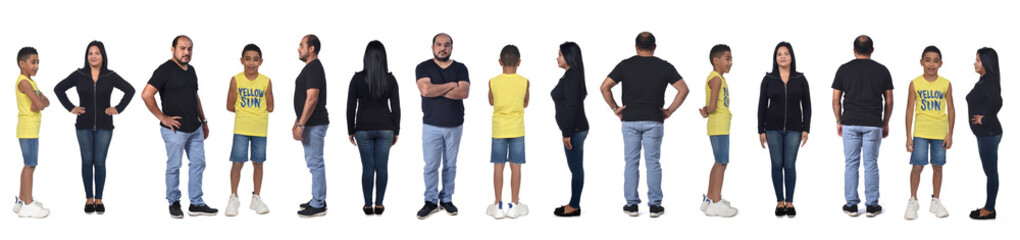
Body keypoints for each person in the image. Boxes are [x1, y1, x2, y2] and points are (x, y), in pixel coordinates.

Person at [600, 32, 689, 218]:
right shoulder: (664, 66)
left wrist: (615, 108)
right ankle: (655, 206)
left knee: (631, 163)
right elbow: (683, 89)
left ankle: (631, 205)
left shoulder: (625, 64)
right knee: (653, 162)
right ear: (655, 47)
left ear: (635, 46)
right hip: (654, 120)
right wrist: (669, 111)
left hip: (630, 120)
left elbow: (604, 87)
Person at [53, 41, 136, 214]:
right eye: (90, 53)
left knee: (99, 163)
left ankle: (99, 199)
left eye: (97, 53)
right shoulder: (79, 74)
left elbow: (130, 90)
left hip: (105, 127)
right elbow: (59, 88)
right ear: (86, 56)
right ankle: (88, 199)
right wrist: (71, 107)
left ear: (103, 55)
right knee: (86, 162)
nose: (93, 56)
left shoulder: (110, 75)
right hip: (83, 126)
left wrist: (118, 109)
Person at [141, 35, 218, 218]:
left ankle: (196, 203)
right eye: (182, 48)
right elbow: (146, 95)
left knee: (198, 164)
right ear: (173, 49)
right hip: (174, 130)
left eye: (189, 48)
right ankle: (174, 202)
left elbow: (195, 96)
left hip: (195, 128)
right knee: (174, 166)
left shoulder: (191, 70)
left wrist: (204, 121)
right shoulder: (164, 70)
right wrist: (163, 118)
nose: (186, 52)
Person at [831, 35, 893, 218]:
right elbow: (889, 100)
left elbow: (836, 100)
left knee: (851, 164)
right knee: (871, 164)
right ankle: (872, 206)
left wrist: (839, 121)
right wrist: (885, 122)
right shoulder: (882, 70)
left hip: (850, 122)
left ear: (854, 49)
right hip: (873, 123)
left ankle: (851, 206)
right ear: (872, 50)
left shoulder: (844, 69)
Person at [414, 33, 470, 220]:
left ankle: (446, 198)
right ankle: (430, 201)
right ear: (432, 47)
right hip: (431, 125)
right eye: (439, 44)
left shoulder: (461, 68)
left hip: (455, 125)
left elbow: (463, 92)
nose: (442, 48)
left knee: (450, 165)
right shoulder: (423, 67)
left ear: (451, 47)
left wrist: (437, 89)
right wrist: (450, 85)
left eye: (446, 45)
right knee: (430, 166)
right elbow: (425, 90)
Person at [757, 42, 811, 217]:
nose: (782, 56)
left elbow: (807, 106)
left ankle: (790, 202)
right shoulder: (768, 79)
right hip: (772, 129)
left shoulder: (800, 79)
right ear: (775, 58)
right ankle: (779, 202)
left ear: (791, 56)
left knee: (789, 165)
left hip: (795, 129)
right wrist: (761, 130)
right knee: (776, 164)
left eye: (786, 53)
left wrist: (806, 128)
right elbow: (761, 106)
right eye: (779, 54)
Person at [347, 40, 400, 216]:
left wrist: (350, 130)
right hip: (386, 127)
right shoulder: (391, 79)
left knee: (368, 168)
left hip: (363, 128)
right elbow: (396, 108)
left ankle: (368, 205)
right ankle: (380, 205)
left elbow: (350, 107)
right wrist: (397, 130)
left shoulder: (356, 79)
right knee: (382, 167)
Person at [903, 46, 954, 220]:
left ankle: (936, 200)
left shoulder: (945, 84)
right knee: (917, 166)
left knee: (938, 166)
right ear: (921, 62)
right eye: (927, 60)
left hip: (940, 132)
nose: (931, 64)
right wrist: (908, 136)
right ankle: (913, 200)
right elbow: (910, 110)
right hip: (921, 132)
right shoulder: (915, 83)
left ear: (940, 63)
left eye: (935, 60)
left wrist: (950, 134)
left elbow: (952, 109)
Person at [224, 43, 274, 217]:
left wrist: (256, 114)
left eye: (255, 59)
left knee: (258, 163)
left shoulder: (266, 81)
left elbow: (271, 106)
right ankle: (233, 197)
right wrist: (246, 113)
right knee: (237, 163)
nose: (251, 63)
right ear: (241, 61)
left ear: (261, 61)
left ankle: (256, 197)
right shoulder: (236, 80)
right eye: (247, 59)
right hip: (241, 128)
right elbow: (230, 106)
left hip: (260, 129)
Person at [485, 45, 530, 219]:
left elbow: (491, 101)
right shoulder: (525, 81)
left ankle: (497, 205)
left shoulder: (493, 81)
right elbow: (525, 102)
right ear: (519, 62)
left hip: (499, 129)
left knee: (498, 166)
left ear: (499, 62)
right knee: (516, 166)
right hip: (517, 128)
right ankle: (514, 205)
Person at [292, 34, 330, 218]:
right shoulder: (310, 68)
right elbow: (303, 100)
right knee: (313, 163)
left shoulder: (314, 68)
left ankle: (319, 203)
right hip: (309, 123)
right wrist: (296, 123)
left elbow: (312, 98)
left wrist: (301, 123)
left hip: (314, 124)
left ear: (311, 48)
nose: (298, 49)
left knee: (315, 163)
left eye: (301, 45)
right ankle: (317, 197)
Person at [699, 44, 738, 217]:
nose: (731, 62)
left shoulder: (718, 78)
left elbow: (711, 107)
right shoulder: (716, 78)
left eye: (731, 59)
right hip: (719, 126)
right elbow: (713, 105)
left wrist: (706, 111)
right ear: (716, 60)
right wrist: (707, 110)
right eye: (727, 59)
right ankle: (715, 202)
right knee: (722, 163)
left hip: (719, 125)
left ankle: (709, 199)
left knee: (719, 162)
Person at [13, 47, 51, 218]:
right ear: (22, 64)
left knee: (30, 164)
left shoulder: (31, 83)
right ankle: (27, 205)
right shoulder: (24, 83)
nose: (36, 66)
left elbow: (46, 102)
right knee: (30, 165)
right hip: (27, 129)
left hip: (32, 128)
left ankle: (22, 200)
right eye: (33, 62)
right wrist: (39, 102)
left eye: (38, 63)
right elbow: (41, 104)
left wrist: (40, 102)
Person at [552, 42, 589, 217]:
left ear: (568, 56)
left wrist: (566, 133)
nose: (557, 58)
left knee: (576, 169)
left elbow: (572, 107)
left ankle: (574, 206)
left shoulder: (573, 76)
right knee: (575, 169)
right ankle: (573, 203)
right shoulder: (571, 76)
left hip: (574, 130)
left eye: (560, 54)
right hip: (574, 129)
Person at [967, 47, 1002, 220]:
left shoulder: (988, 81)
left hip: (988, 133)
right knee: (990, 172)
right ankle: (989, 206)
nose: (975, 63)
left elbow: (998, 102)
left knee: (991, 173)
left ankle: (989, 209)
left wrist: (984, 120)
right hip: (986, 134)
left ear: (986, 63)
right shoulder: (984, 80)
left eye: (978, 60)